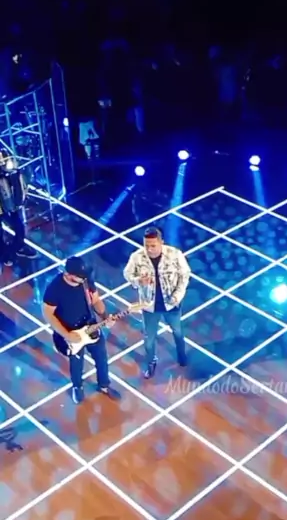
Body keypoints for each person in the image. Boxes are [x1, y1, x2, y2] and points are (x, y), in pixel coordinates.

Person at [42, 256, 120, 405]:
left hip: (90, 326)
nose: (84, 279)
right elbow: (48, 314)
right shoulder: (54, 288)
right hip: (71, 332)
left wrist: (105, 317)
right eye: (80, 276)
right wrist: (66, 334)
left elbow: (95, 300)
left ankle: (104, 385)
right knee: (77, 363)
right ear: (69, 275)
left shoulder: (86, 281)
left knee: (102, 358)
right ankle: (77, 387)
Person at [123, 226, 191, 378]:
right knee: (149, 340)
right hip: (149, 306)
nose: (149, 249)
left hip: (171, 303)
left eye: (153, 245)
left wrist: (177, 296)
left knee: (177, 332)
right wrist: (138, 281)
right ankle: (151, 363)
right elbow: (127, 274)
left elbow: (185, 275)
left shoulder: (175, 255)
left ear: (161, 242)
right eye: (146, 245)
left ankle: (182, 356)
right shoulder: (137, 257)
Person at [0, 149, 37, 266]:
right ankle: (4, 255)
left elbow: (11, 168)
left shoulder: (2, 153)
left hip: (8, 198)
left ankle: (18, 247)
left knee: (19, 226)